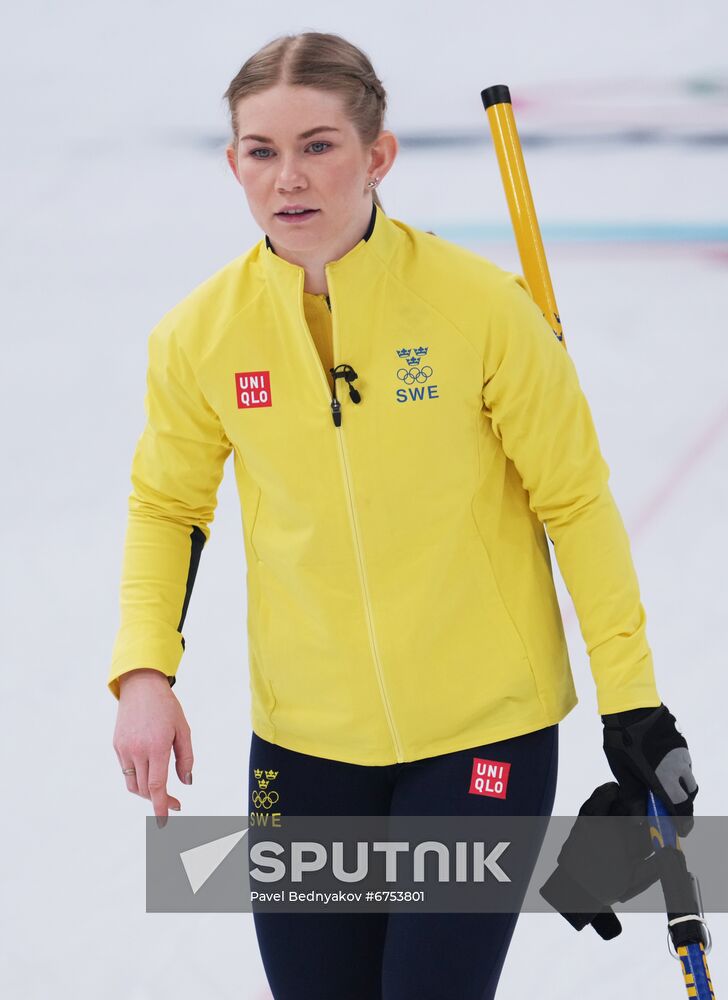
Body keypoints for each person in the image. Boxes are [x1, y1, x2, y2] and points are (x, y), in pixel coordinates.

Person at [109, 31, 698, 999]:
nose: (287, 178)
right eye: (261, 150)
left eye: (318, 145)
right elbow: (166, 504)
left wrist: (630, 703)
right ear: (232, 164)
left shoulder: (479, 311)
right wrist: (143, 669)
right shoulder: (198, 336)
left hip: (480, 734)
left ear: (377, 155)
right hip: (303, 742)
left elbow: (575, 503)